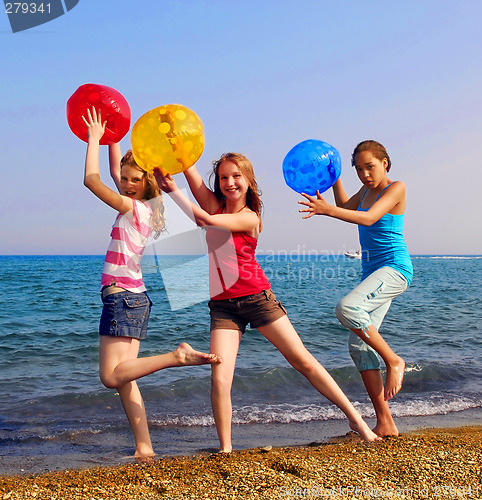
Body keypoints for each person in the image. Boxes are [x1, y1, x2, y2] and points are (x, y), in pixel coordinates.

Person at [153, 153, 380, 453]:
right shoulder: (214, 204)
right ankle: (225, 449)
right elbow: (191, 174)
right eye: (223, 177)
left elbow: (204, 220)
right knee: (220, 379)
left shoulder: (248, 216)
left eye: (236, 176)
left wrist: (172, 192)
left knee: (303, 361)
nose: (230, 182)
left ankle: (357, 421)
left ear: (248, 181)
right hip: (222, 306)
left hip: (257, 298)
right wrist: (180, 153)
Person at [82, 107, 221, 460]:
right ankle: (144, 446)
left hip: (122, 297)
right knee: (125, 377)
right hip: (136, 297)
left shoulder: (133, 208)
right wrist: (114, 137)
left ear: (146, 183)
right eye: (125, 179)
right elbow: (115, 172)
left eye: (133, 180)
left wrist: (94, 140)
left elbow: (92, 181)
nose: (126, 184)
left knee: (110, 377)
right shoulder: (146, 206)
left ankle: (177, 356)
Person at [298, 140, 413, 437]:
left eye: (370, 167)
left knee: (347, 308)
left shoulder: (395, 188)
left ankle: (393, 359)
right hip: (373, 272)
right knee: (359, 345)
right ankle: (385, 421)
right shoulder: (365, 191)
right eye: (358, 169)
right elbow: (345, 207)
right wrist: (335, 177)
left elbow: (368, 217)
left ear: (384, 163)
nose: (364, 174)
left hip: (395, 270)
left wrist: (326, 210)